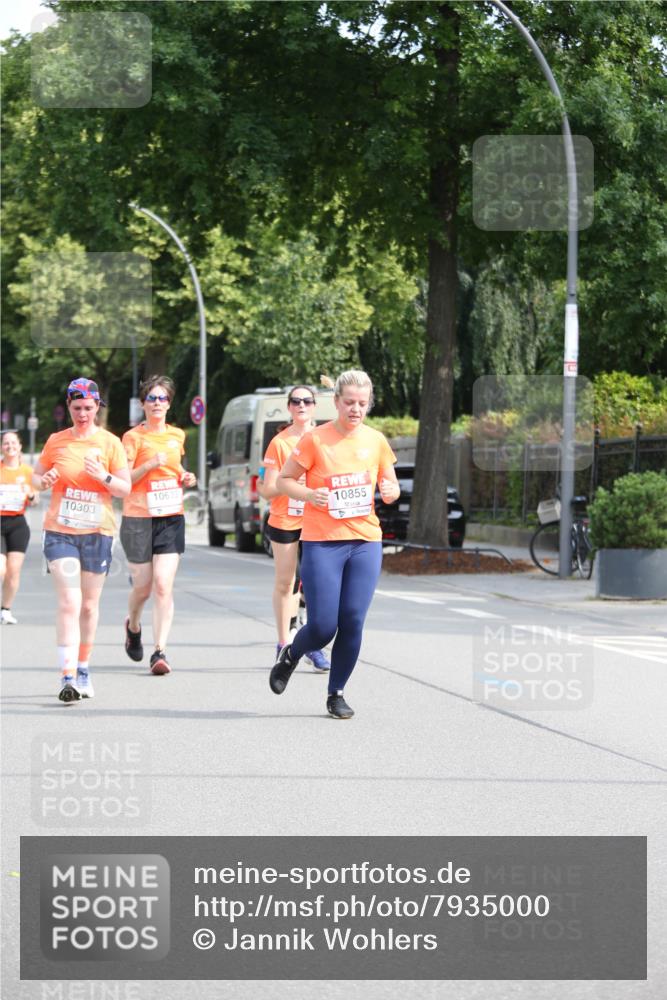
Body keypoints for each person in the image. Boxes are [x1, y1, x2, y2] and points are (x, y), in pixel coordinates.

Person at [269, 370, 400, 718]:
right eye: (349, 403)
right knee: (324, 625)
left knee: (353, 619)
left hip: (365, 541)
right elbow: (284, 481)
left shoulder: (376, 440)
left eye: (362, 403)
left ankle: (336, 693)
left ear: (368, 404)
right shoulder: (315, 439)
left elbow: (391, 484)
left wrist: (390, 491)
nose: (355, 409)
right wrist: (310, 494)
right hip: (323, 542)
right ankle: (292, 654)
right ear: (337, 402)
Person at [32, 378, 131, 702]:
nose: (83, 414)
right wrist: (43, 480)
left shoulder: (110, 443)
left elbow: (124, 488)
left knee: (89, 606)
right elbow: (36, 476)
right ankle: (67, 674)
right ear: (69, 408)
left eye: (89, 408)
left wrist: (102, 475)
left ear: (97, 407)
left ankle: (84, 667)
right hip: (61, 530)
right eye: (77, 408)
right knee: (70, 602)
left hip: (97, 532)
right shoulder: (57, 441)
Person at [120, 375, 196, 675]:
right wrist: (150, 464)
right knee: (143, 588)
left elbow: (178, 469)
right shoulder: (132, 438)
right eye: (151, 398)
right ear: (142, 403)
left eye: (162, 398)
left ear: (169, 403)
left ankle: (160, 651)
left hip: (170, 517)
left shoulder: (177, 435)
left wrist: (188, 478)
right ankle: (133, 626)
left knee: (163, 585)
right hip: (138, 519)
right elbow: (125, 479)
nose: (157, 403)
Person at [258, 386, 330, 671]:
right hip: (286, 520)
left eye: (307, 401)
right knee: (286, 582)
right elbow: (267, 490)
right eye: (296, 401)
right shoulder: (279, 443)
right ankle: (283, 642)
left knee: (315, 584)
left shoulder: (324, 439)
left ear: (315, 407)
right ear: (289, 407)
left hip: (317, 521)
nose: (302, 405)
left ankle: (313, 645)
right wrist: (296, 488)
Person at [1, 430, 37, 624]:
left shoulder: (28, 472)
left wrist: (30, 495)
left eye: (13, 443)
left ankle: (5, 609)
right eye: (6, 443)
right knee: (1, 569)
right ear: (1, 447)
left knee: (13, 571)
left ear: (20, 446)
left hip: (18, 524)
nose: (10, 446)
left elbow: (36, 499)